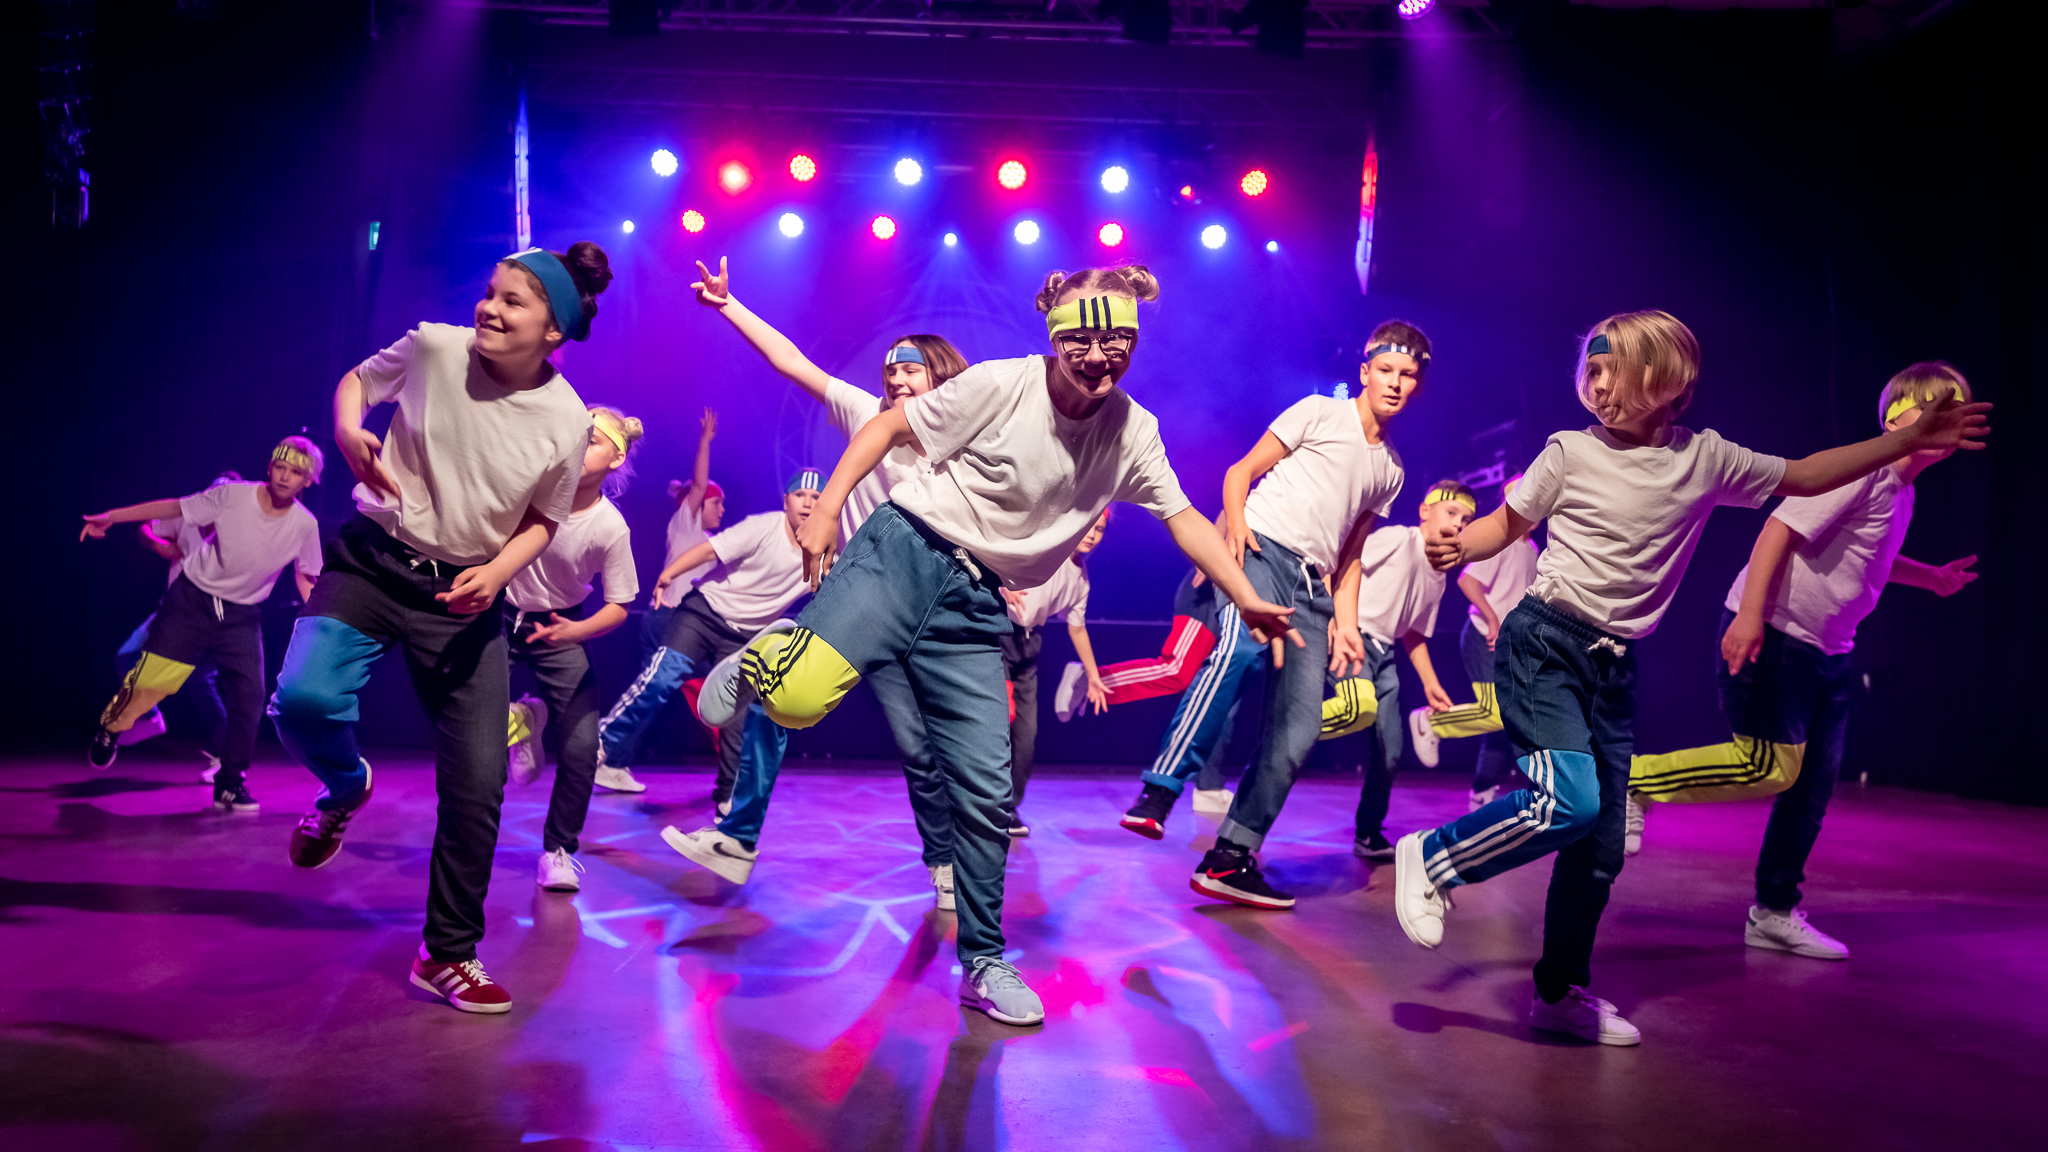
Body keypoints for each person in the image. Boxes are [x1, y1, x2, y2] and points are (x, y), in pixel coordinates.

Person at [685, 264, 1298, 1027]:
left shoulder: (1133, 432)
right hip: (902, 553)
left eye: (1117, 342)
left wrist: (1243, 595)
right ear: (1056, 338)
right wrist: (828, 508)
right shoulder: (1003, 384)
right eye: (1082, 341)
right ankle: (763, 658)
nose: (1099, 357)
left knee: (986, 793)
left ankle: (983, 961)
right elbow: (887, 427)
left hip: (977, 607)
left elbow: (1183, 519)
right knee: (798, 702)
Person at [1396, 311, 1989, 1047]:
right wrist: (1459, 544)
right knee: (1569, 802)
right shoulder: (1568, 453)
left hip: (1614, 663)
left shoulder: (1705, 458)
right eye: (1590, 369)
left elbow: (1804, 475)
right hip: (1545, 642)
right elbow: (1504, 526)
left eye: (1613, 370)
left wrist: (1902, 442)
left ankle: (1558, 992)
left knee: (1600, 847)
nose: (1597, 383)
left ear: (1668, 382)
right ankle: (1436, 857)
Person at [268, 242, 610, 1015]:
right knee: (304, 700)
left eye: (513, 301)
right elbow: (359, 381)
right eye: (489, 292)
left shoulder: (566, 419)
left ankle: (447, 953)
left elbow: (544, 519)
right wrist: (348, 428)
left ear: (553, 330)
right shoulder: (433, 347)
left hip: (465, 595)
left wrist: (498, 573)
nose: (489, 308)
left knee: (480, 780)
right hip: (371, 562)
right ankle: (344, 787)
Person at [1627, 361, 1980, 960]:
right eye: (1934, 409)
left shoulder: (1903, 491)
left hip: (1829, 650)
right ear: (1897, 420)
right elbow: (1778, 530)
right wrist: (1749, 616)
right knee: (1768, 766)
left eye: (1955, 410)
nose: (1946, 423)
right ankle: (1635, 781)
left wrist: (1932, 577)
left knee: (1810, 789)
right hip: (1778, 634)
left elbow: (1871, 556)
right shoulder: (1861, 470)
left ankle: (1773, 912)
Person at [683, 256, 972, 908]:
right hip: (859, 599)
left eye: (910, 368)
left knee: (922, 748)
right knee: (776, 704)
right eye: (890, 370)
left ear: (941, 376)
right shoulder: (866, 413)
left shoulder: (965, 442)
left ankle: (945, 864)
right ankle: (737, 837)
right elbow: (791, 362)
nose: (895, 377)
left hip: (928, 609)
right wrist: (730, 306)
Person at [1125, 325, 1427, 915]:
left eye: (1409, 375)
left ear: (1417, 385)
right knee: (1236, 652)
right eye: (1387, 370)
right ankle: (1159, 791)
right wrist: (1236, 526)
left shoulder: (1391, 469)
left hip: (1314, 590)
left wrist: (1346, 623)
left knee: (1300, 727)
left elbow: (1351, 555)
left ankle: (1230, 858)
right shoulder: (1318, 412)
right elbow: (1239, 472)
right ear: (1365, 371)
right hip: (1261, 550)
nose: (1396, 383)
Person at [80, 438, 325, 812]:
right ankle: (111, 726)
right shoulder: (233, 496)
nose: (284, 477)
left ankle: (230, 782)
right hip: (192, 603)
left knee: (250, 699)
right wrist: (112, 516)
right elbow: (174, 507)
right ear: (270, 467)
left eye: (295, 472)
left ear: (308, 480)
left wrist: (321, 622)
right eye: (280, 467)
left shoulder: (305, 525)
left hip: (240, 617)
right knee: (150, 687)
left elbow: (306, 575)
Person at [595, 468, 821, 837]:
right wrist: (668, 574)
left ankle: (728, 798)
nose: (808, 504)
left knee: (735, 718)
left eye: (816, 498)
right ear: (786, 501)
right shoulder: (763, 527)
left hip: (745, 638)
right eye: (800, 496)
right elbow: (707, 550)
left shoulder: (824, 552)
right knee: (663, 676)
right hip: (704, 614)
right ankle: (605, 743)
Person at [503, 405, 645, 894]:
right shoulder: (530, 485)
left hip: (560, 623)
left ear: (615, 458)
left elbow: (620, 606)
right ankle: (522, 721)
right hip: (498, 609)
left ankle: (558, 850)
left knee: (584, 746)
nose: (578, 444)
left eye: (592, 440)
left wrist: (573, 632)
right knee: (463, 711)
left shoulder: (610, 527)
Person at [1317, 481, 1474, 860]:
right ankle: (1288, 733)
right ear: (1425, 511)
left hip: (1384, 653)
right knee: (1356, 708)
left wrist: (1431, 684)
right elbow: (1341, 564)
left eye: (1467, 520)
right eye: (1452, 512)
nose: (1459, 523)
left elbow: (1414, 634)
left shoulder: (1439, 575)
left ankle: (1368, 834)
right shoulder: (1398, 539)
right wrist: (1333, 620)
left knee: (1390, 751)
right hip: (1353, 637)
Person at [1405, 472, 1541, 809]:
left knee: (1509, 720)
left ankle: (1483, 792)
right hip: (1483, 636)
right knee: (1496, 712)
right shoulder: (1502, 543)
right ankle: (1431, 722)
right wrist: (1493, 619)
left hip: (1510, 643)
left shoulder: (1532, 548)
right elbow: (1467, 581)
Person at [609, 409, 721, 794]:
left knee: (648, 696)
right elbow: (700, 484)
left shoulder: (710, 542)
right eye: (716, 503)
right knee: (720, 683)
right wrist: (705, 442)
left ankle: (613, 759)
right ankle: (738, 764)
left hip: (665, 620)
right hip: (671, 621)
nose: (721, 509)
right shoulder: (686, 524)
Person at [112, 475, 239, 780]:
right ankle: (151, 718)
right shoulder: (188, 518)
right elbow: (146, 527)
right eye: (212, 495)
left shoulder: (239, 534)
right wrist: (158, 545)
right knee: (128, 656)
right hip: (171, 611)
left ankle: (225, 760)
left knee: (200, 680)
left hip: (210, 618)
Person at [1000, 509, 1110, 836]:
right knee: (999, 721)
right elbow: (999, 555)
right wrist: (1003, 585)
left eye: (1100, 530)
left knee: (1026, 734)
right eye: (1089, 526)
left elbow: (1077, 628)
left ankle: (1008, 809)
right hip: (998, 634)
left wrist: (1093, 675)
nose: (1092, 535)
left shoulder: (1081, 580)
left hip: (1029, 645)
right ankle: (981, 805)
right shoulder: (1045, 548)